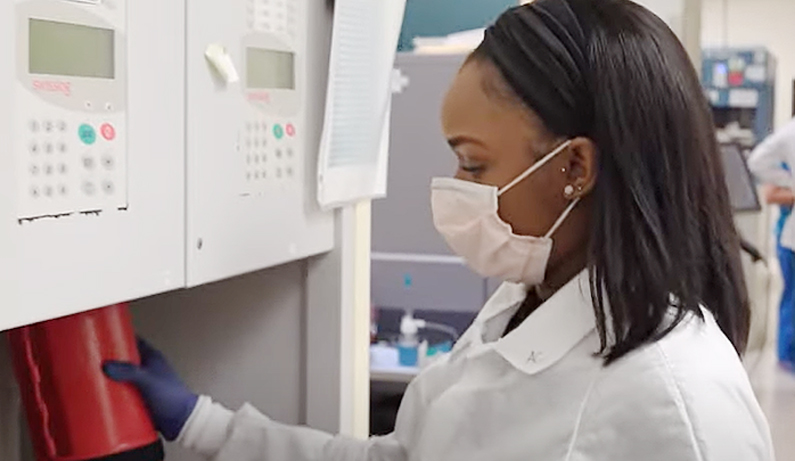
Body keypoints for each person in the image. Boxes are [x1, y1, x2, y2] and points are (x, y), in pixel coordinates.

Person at [103, 1, 774, 459]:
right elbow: (407, 454)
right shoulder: (521, 302)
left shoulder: (677, 403)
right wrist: (203, 423)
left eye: (472, 162)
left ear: (573, 166)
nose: (452, 186)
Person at [748, 119, 795, 367]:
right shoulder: (789, 135)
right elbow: (758, 165)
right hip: (790, 238)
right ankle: (787, 360)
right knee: (792, 298)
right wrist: (789, 181)